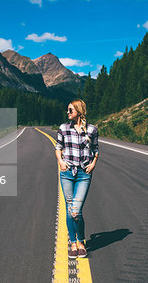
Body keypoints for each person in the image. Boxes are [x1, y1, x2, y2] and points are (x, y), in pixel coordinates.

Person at [54, 99, 99, 259]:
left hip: (84, 174)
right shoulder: (63, 128)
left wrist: (93, 163)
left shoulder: (92, 130)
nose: (68, 113)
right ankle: (73, 243)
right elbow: (58, 147)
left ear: (79, 111)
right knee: (69, 209)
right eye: (67, 110)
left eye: (70, 110)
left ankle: (81, 241)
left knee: (76, 211)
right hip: (67, 173)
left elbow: (95, 149)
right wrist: (60, 162)